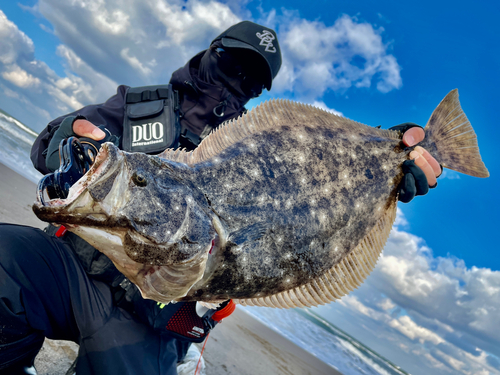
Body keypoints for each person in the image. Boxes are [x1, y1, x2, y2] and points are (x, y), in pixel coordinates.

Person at [0, 20, 440, 375]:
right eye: (232, 61)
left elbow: (317, 180)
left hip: (152, 321)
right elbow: (58, 141)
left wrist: (392, 151)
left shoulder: (263, 151)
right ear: (212, 51)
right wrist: (68, 150)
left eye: (253, 78)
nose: (239, 79)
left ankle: (183, 359)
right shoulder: (141, 109)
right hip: (72, 270)